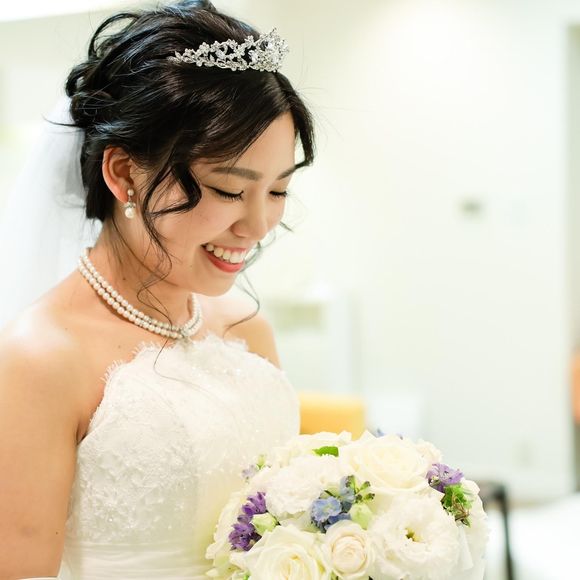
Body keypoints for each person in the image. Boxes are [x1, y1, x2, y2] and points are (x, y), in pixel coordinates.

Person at [0, 0, 315, 577]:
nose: (257, 226)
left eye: (277, 191)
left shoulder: (247, 330)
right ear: (123, 173)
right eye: (228, 190)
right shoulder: (41, 358)